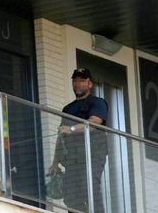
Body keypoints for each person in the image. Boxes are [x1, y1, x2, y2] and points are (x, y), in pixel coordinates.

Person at [49, 68, 108, 212]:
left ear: (90, 84)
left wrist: (72, 129)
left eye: (82, 80)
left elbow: (94, 123)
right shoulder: (68, 108)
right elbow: (61, 135)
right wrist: (55, 162)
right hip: (72, 157)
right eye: (75, 81)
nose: (78, 84)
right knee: (71, 194)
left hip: (92, 154)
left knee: (91, 187)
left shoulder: (97, 102)